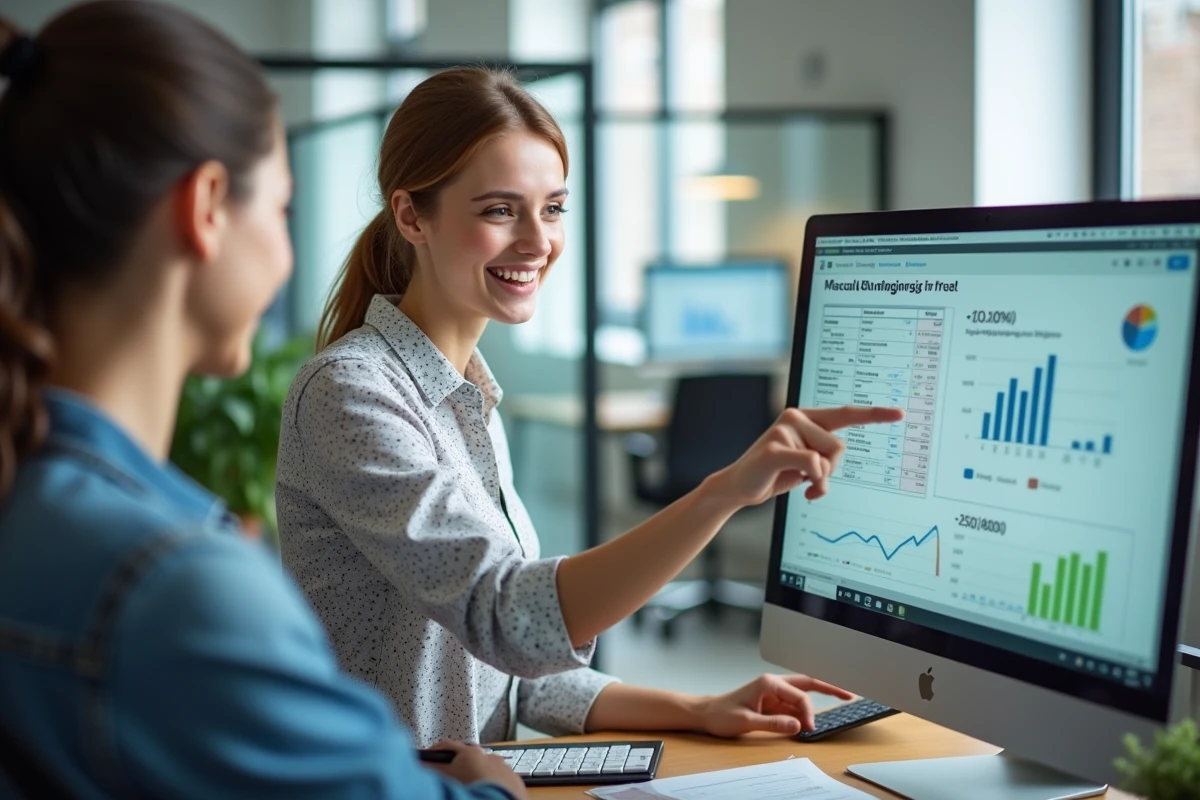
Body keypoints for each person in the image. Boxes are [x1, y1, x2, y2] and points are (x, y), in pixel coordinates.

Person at [275, 66, 904, 749]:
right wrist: (720, 493)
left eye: (552, 208)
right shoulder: (352, 393)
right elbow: (509, 621)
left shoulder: (469, 398)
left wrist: (696, 709)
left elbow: (515, 673)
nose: (538, 241)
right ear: (410, 216)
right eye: (497, 209)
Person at [0, 4, 525, 799]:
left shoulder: (33, 506)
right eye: (279, 207)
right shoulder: (175, 586)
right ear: (206, 207)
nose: (285, 255)